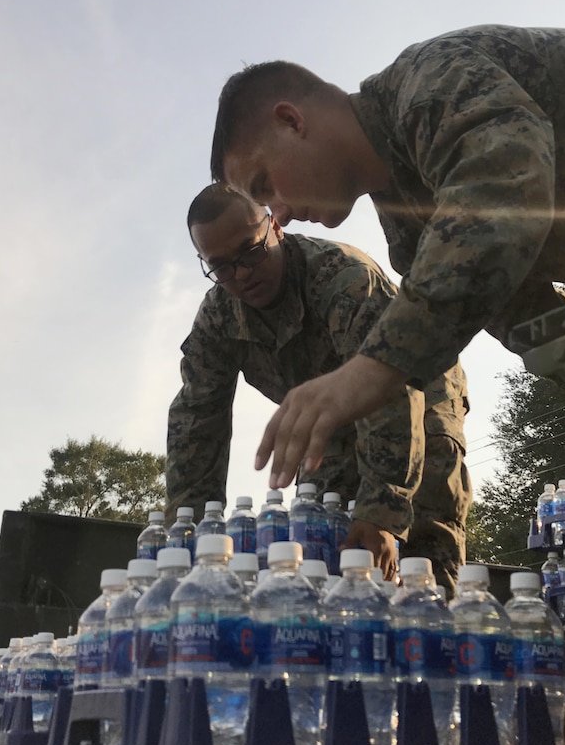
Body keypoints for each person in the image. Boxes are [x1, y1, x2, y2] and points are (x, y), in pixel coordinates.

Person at [210, 24, 565, 548]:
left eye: (266, 186)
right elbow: (546, 331)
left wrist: (373, 367)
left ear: (292, 121)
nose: (281, 217)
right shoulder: (411, 238)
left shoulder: (428, 80)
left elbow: (503, 186)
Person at [166, 183, 471, 588]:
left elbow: (392, 390)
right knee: (324, 558)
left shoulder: (344, 279)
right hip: (329, 428)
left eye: (250, 252)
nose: (241, 274)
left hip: (417, 398)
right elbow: (196, 427)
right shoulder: (216, 320)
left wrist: (382, 514)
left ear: (274, 225)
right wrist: (190, 541)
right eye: (221, 266)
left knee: (419, 561)